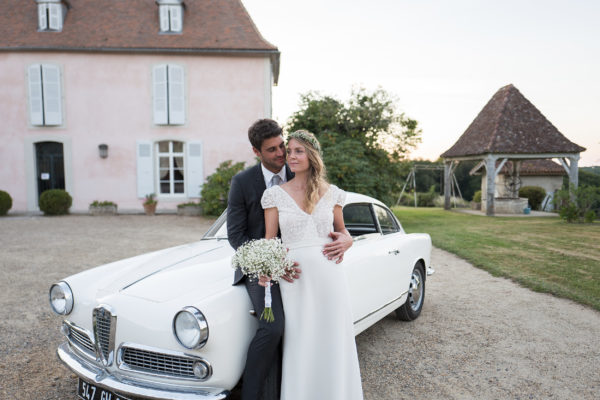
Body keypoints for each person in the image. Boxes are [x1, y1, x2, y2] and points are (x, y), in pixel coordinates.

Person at [227, 119, 353, 400]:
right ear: (256, 152)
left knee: (328, 334)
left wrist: (348, 238)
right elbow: (236, 236)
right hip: (267, 267)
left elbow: (338, 228)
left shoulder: (319, 184)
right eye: (273, 150)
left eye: (286, 147)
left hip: (322, 273)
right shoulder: (245, 183)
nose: (283, 154)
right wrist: (270, 263)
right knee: (274, 328)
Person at [260, 130, 364, 400]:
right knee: (301, 342)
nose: (290, 156)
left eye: (298, 151)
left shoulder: (333, 194)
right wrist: (274, 266)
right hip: (295, 281)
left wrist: (347, 242)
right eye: (289, 151)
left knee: (333, 339)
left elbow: (343, 232)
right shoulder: (274, 195)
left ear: (312, 156)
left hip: (330, 277)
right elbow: (270, 241)